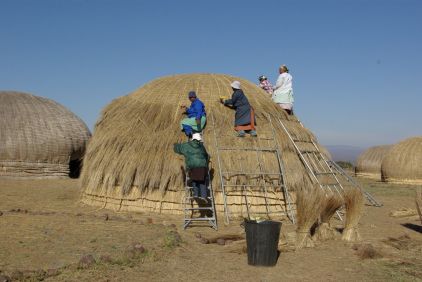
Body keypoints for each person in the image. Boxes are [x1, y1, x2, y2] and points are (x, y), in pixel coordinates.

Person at [174, 133, 209, 202]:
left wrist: (175, 145)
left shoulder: (187, 145)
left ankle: (195, 194)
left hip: (193, 167)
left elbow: (179, 148)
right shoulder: (201, 146)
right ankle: (204, 196)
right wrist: (206, 161)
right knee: (202, 181)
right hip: (202, 166)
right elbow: (206, 155)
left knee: (194, 180)